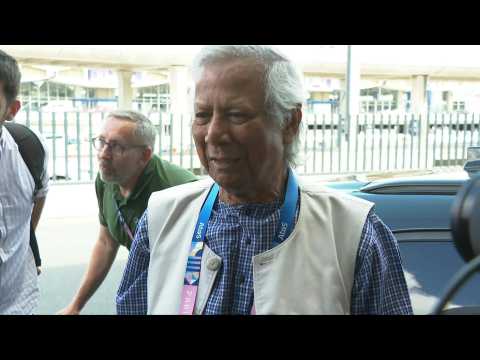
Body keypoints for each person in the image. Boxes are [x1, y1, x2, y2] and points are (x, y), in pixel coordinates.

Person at [116, 45, 413, 315]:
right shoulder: (161, 218)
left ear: (289, 123)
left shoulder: (352, 234)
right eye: (203, 115)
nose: (214, 134)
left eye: (236, 115)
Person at [58, 110, 197, 314]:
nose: (103, 153)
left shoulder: (180, 190)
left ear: (145, 155)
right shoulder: (107, 181)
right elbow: (106, 243)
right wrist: (76, 305)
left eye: (116, 146)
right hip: (145, 290)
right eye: (102, 141)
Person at [0, 50, 49, 314]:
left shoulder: (29, 148)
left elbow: (40, 194)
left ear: (12, 109)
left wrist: (24, 237)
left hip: (20, 300)